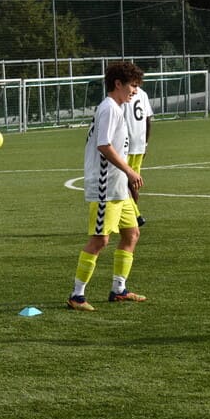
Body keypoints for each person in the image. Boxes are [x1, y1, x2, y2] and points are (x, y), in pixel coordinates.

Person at [66, 61, 147, 312]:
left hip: (118, 186)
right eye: (132, 86)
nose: (135, 91)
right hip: (105, 186)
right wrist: (130, 170)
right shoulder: (109, 108)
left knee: (132, 234)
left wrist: (126, 177)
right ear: (118, 84)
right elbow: (104, 145)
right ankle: (76, 296)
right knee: (100, 240)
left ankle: (119, 289)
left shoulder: (116, 108)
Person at [123, 83, 153, 227]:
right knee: (132, 183)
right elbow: (148, 120)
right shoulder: (143, 94)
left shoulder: (123, 95)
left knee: (123, 183)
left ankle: (135, 215)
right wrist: (145, 144)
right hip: (139, 144)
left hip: (126, 145)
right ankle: (133, 215)